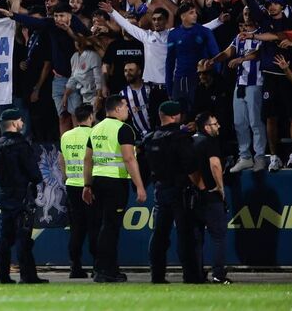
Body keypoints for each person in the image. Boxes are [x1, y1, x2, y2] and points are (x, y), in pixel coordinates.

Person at [82, 94, 147, 283]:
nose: (128, 109)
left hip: (98, 181)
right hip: (115, 183)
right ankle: (104, 270)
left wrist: (87, 185)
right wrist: (140, 186)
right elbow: (129, 158)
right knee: (111, 228)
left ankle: (108, 268)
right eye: (126, 106)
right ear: (117, 109)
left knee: (104, 226)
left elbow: (88, 159)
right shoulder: (124, 129)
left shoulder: (95, 129)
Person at [142, 100, 203, 284]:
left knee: (160, 234)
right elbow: (191, 167)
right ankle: (191, 276)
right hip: (180, 190)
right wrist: (200, 187)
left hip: (160, 190)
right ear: (175, 116)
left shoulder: (150, 138)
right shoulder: (180, 137)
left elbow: (144, 166)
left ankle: (157, 275)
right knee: (185, 235)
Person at [0, 108, 46, 284]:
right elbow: (34, 173)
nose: (22, 123)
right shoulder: (21, 145)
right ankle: (27, 275)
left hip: (5, 194)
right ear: (14, 123)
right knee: (23, 237)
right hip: (23, 195)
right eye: (20, 120)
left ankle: (3, 275)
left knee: (5, 237)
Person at [193, 111, 231, 284]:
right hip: (210, 195)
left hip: (192, 196)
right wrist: (220, 188)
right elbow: (215, 164)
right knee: (218, 237)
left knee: (196, 238)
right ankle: (218, 275)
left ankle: (196, 274)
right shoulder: (209, 142)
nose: (219, 126)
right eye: (215, 124)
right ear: (207, 127)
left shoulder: (190, 141)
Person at [59, 103, 95, 279]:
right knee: (95, 226)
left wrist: (66, 176)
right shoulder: (94, 134)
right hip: (90, 185)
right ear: (90, 117)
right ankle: (99, 266)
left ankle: (75, 267)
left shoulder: (66, 136)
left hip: (72, 185)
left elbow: (60, 159)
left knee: (77, 228)